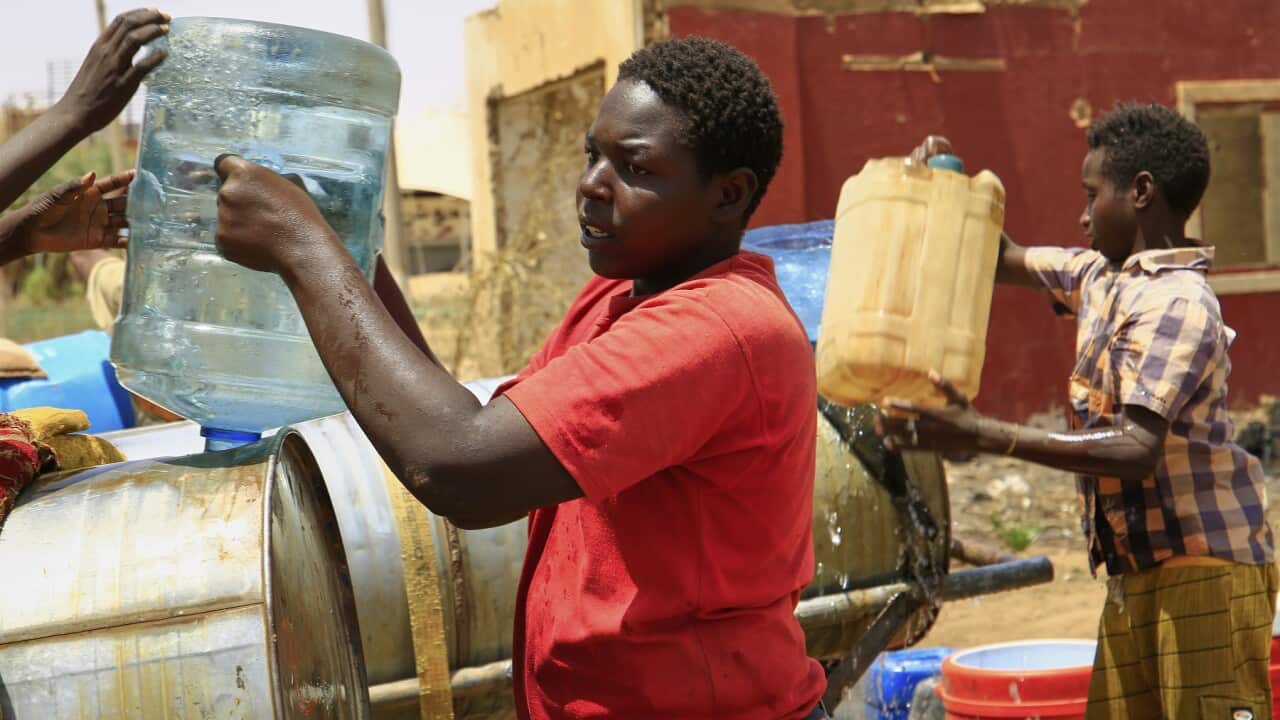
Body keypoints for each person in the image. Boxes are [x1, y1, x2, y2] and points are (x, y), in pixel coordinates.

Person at [213, 36, 828, 720]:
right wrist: (350, 246)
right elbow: (461, 426)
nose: (592, 184)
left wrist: (303, 248)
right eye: (593, 154)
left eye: (635, 167)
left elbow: (460, 469)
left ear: (729, 194)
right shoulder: (618, 302)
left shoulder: (717, 329)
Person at [879, 105, 1276, 719]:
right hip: (1136, 573)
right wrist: (944, 187)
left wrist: (984, 433)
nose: (1082, 215)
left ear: (1141, 192)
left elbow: (1135, 448)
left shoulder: (1179, 302)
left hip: (1205, 573)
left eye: (1092, 195)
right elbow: (996, 256)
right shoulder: (1100, 276)